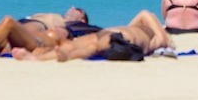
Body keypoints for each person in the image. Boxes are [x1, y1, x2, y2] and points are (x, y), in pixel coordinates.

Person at [12, 10, 173, 61]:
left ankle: (41, 57)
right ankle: (42, 58)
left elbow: (144, 13)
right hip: (122, 37)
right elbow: (166, 43)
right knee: (92, 47)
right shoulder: (154, 37)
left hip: (114, 33)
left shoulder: (150, 32)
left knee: (80, 44)